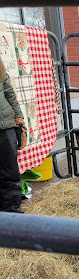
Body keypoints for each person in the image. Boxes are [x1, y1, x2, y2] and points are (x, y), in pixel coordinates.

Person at [0, 56, 27, 213]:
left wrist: (19, 119)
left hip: (5, 126)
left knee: (10, 173)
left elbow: (9, 91)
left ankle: (12, 216)